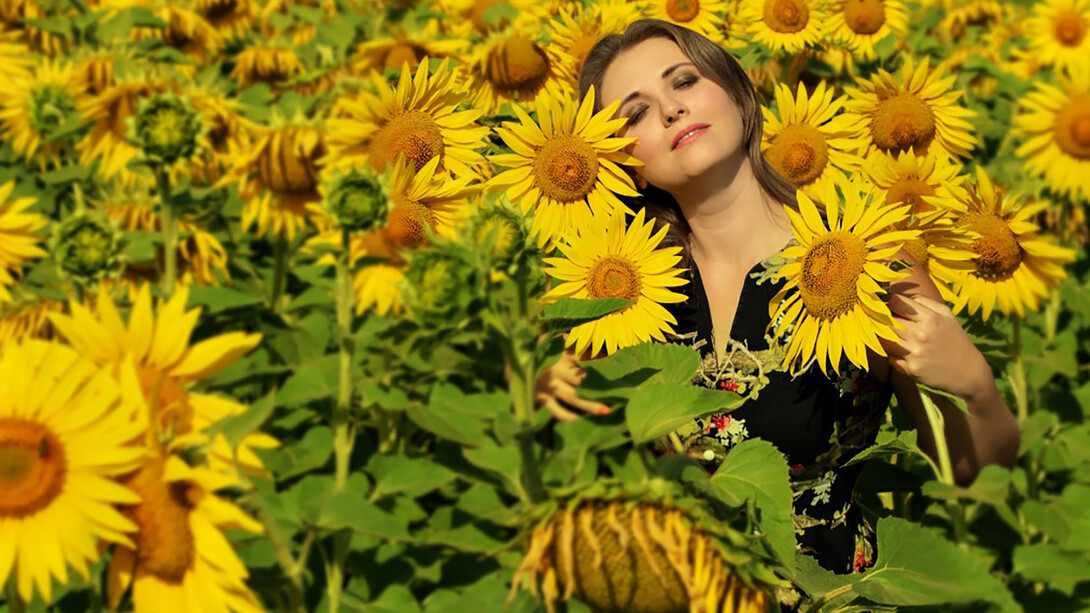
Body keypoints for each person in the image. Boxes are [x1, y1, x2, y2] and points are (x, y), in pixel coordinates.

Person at [533, 18, 1020, 583]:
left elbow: (972, 477)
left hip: (833, 594)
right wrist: (548, 404)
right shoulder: (614, 288)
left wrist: (977, 389)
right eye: (636, 113)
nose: (669, 110)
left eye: (684, 82)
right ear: (624, 164)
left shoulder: (871, 257)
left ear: (738, 90)